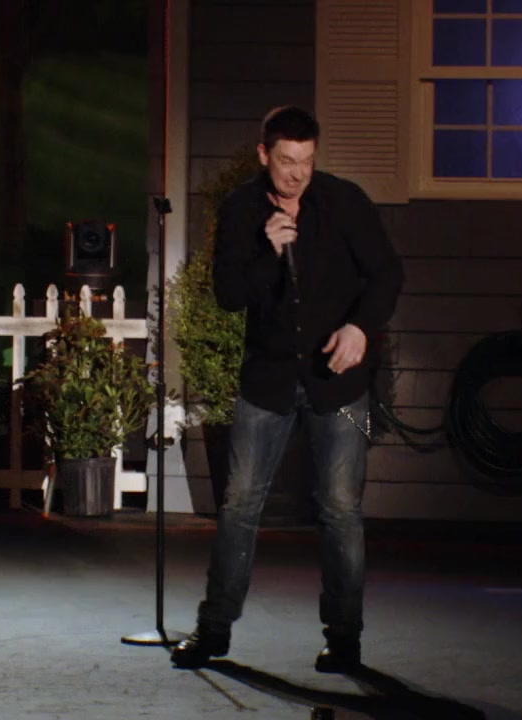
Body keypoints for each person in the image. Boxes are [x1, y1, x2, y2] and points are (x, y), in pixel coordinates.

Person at [171, 105, 403, 673]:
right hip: (268, 380)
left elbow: (387, 273)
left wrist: (360, 327)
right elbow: (228, 294)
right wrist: (267, 253)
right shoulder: (242, 209)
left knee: (341, 508)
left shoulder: (343, 202)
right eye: (286, 161)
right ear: (263, 154)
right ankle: (214, 629)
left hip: (338, 382)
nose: (297, 172)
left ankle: (343, 639)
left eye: (306, 161)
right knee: (239, 505)